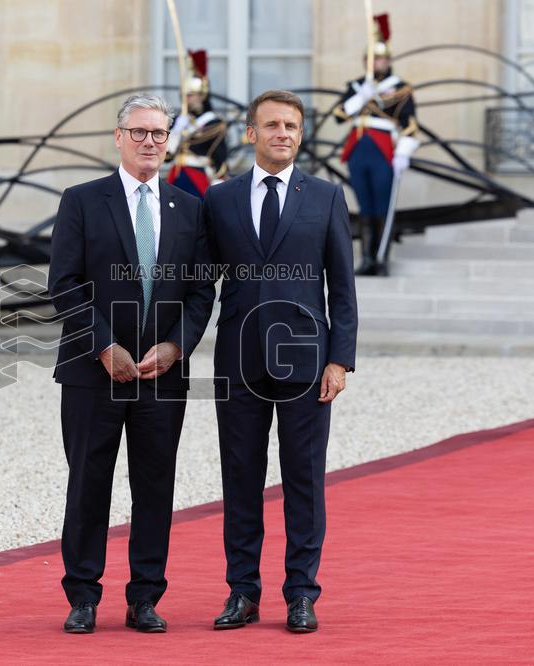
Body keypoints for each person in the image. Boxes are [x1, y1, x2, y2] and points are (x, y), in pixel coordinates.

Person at [48, 94, 215, 634]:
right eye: (139, 132)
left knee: (154, 487)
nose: (149, 142)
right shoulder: (81, 201)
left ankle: (145, 595)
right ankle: (83, 596)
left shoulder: (189, 207)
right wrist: (103, 347)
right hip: (93, 373)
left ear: (169, 141)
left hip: (162, 376)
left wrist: (176, 347)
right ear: (118, 137)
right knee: (89, 484)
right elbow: (64, 285)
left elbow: (200, 292)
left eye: (158, 134)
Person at [203, 90, 358, 633]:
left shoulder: (326, 197)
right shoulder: (219, 200)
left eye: (292, 126)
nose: (283, 134)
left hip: (307, 364)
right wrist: (177, 343)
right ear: (251, 134)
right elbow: (203, 285)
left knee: (304, 481)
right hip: (238, 362)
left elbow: (342, 287)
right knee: (240, 478)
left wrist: (340, 360)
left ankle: (302, 594)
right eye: (272, 125)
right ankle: (242, 591)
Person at [334, 13, 419, 276]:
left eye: (383, 59)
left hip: (384, 150)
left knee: (382, 205)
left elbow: (410, 125)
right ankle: (367, 258)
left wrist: (403, 152)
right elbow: (339, 116)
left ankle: (382, 259)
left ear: (389, 61)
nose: (379, 62)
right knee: (365, 206)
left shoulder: (401, 88)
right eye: (375, 58)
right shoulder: (358, 86)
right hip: (359, 148)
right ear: (367, 61)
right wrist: (362, 96)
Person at [166, 49, 229, 199]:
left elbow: (219, 157)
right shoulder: (178, 121)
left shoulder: (214, 123)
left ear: (202, 96)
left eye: (191, 95)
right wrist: (176, 130)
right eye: (184, 96)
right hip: (175, 174)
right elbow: (167, 155)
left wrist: (185, 131)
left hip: (198, 176)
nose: (187, 100)